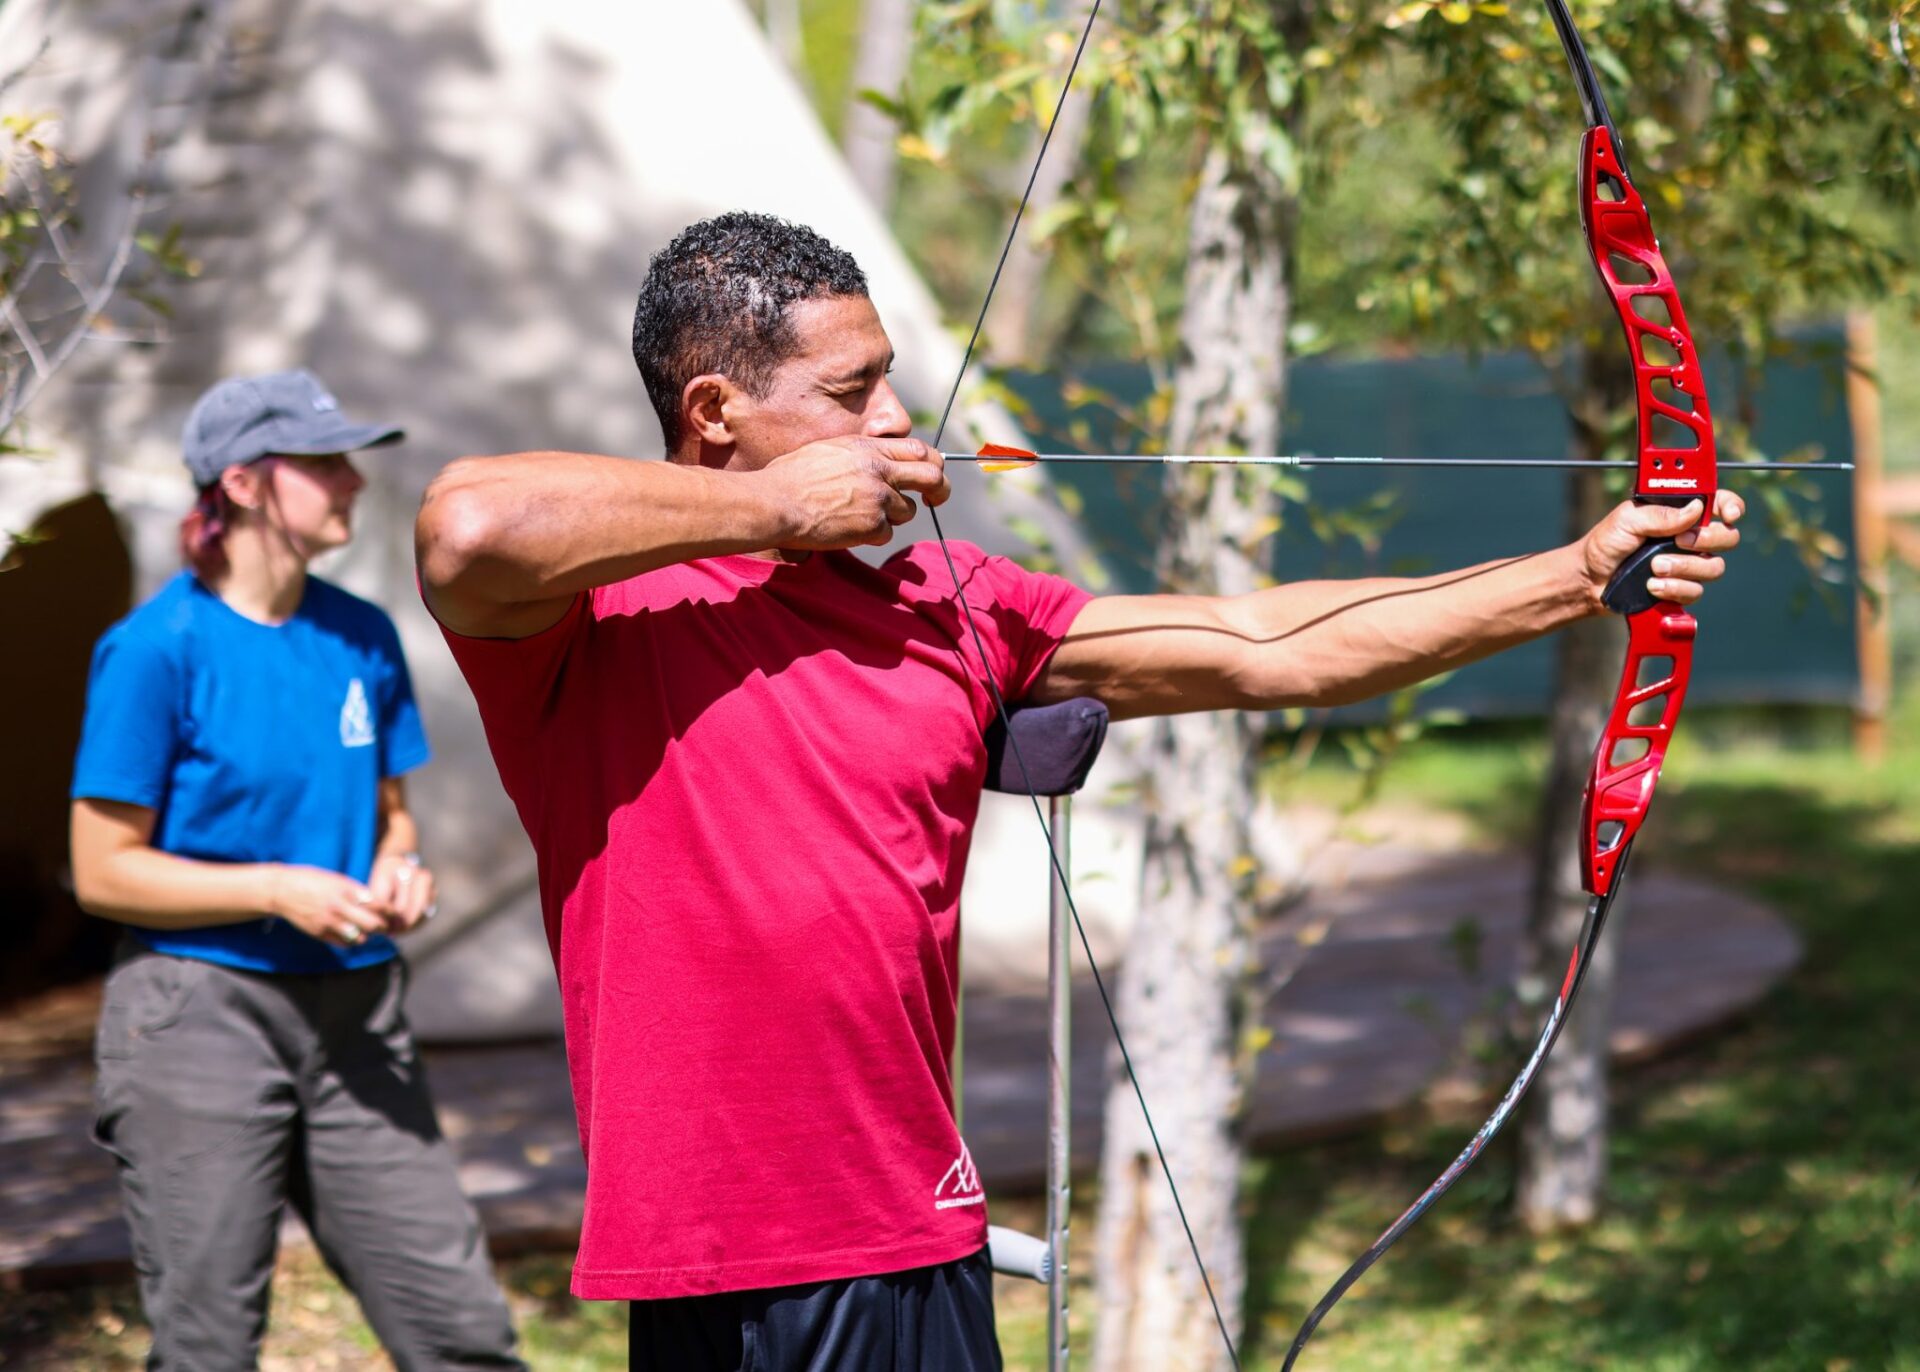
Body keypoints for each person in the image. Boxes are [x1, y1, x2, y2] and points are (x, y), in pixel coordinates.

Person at [414, 212, 1742, 1372]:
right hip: (688, 1258)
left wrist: (1577, 577)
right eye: (850, 391)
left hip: (888, 1239)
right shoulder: (591, 622)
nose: (893, 421)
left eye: (891, 383)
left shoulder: (953, 608)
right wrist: (777, 512)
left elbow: (1265, 645)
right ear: (715, 415)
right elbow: (468, 527)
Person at [70, 370, 526, 1372]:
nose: (353, 481)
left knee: (461, 1333)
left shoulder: (361, 634)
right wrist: (277, 888)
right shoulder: (156, 650)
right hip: (198, 1016)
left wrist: (404, 875)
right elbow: (103, 872)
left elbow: (393, 823)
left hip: (358, 1019)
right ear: (241, 483)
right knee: (209, 1349)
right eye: (323, 462)